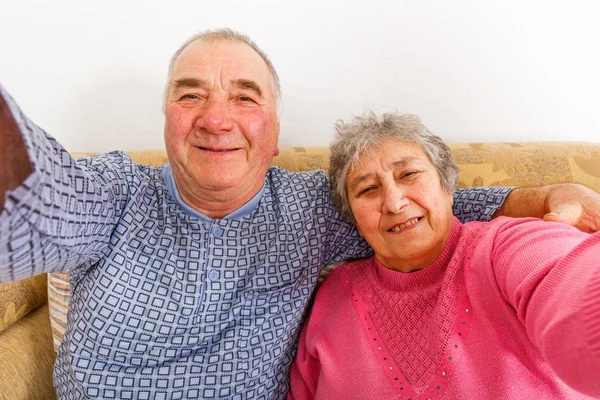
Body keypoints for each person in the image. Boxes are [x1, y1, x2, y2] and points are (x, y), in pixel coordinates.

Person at [0, 29, 599, 400]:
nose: (216, 118)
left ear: (275, 131)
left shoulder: (313, 207)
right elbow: (41, 198)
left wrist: (550, 194)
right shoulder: (113, 193)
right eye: (190, 95)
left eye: (244, 96)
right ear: (166, 120)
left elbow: (432, 213)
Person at [288, 111, 600, 399]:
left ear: (448, 189)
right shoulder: (331, 299)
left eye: (409, 174)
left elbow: (569, 282)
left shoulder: (502, 246)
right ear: (354, 218)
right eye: (368, 190)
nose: (394, 203)